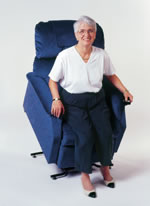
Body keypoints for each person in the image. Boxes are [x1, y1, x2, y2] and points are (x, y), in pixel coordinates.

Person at [48, 16, 133, 198]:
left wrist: (125, 90)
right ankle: (85, 175)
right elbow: (52, 80)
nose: (86, 34)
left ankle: (105, 168)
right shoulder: (65, 56)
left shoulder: (101, 55)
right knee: (85, 135)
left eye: (90, 31)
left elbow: (111, 76)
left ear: (95, 34)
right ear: (76, 34)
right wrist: (56, 99)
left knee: (105, 132)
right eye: (82, 31)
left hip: (96, 101)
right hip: (74, 103)